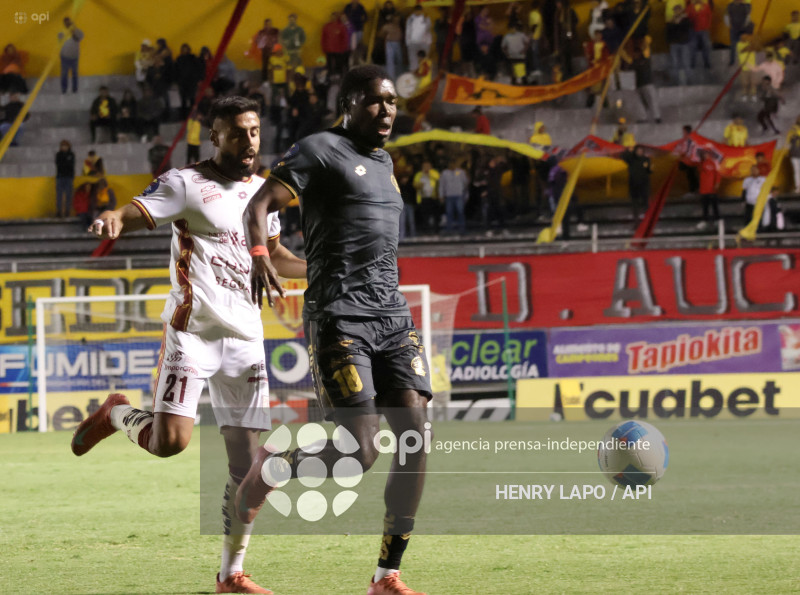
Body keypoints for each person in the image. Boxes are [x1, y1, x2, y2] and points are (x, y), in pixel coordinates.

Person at [72, 96, 306, 595]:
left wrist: (321, 268)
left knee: (247, 468)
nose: (249, 141)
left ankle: (229, 576)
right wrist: (114, 217)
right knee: (170, 443)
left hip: (246, 338)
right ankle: (116, 413)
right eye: (238, 132)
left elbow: (277, 254)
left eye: (255, 131)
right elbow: (138, 210)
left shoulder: (264, 192)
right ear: (215, 137)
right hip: (192, 332)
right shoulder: (186, 183)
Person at [238, 65, 431, 595]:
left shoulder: (386, 160)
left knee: (417, 440)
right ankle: (276, 467)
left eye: (392, 101)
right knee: (361, 453)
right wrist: (260, 253)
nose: (387, 110)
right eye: (375, 101)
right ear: (348, 103)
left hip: (392, 318)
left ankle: (386, 576)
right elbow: (259, 205)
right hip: (339, 318)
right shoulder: (319, 148)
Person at [439, 159, 470, 234]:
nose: (452, 166)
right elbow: (442, 185)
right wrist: (441, 195)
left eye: (453, 164)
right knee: (449, 213)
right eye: (451, 164)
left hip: (459, 195)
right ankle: (449, 229)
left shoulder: (460, 172)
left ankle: (462, 229)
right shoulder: (444, 173)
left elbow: (465, 183)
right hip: (449, 196)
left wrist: (465, 193)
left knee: (460, 212)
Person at [622, 145, 652, 220]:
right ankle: (636, 222)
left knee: (645, 203)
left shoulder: (646, 159)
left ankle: (646, 220)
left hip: (644, 184)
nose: (640, 152)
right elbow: (623, 156)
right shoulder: (631, 159)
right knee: (635, 204)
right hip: (634, 185)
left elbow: (649, 171)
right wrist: (628, 150)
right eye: (638, 151)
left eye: (641, 151)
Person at [696, 149, 721, 229]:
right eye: (703, 153)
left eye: (706, 153)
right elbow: (698, 170)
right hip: (704, 189)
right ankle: (704, 221)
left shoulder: (714, 162)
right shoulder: (701, 163)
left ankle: (717, 220)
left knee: (714, 206)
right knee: (705, 206)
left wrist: (717, 183)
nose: (705, 155)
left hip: (712, 189)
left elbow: (718, 173)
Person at [415, 159, 441, 233]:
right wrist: (419, 184)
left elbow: (438, 179)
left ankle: (436, 230)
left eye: (428, 166)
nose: (426, 167)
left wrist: (429, 173)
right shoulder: (419, 174)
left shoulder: (434, 173)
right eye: (424, 166)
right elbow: (415, 184)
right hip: (424, 198)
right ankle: (426, 230)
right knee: (425, 215)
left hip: (433, 197)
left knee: (436, 215)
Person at [58, 17, 84, 94]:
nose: (67, 24)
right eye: (66, 23)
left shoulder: (77, 31)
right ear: (64, 24)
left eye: (69, 22)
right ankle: (64, 89)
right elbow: (60, 42)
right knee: (64, 74)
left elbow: (79, 38)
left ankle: (75, 90)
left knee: (75, 74)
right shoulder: (61, 32)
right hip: (64, 57)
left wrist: (73, 30)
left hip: (74, 57)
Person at [686, 0, 712, 70]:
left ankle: (707, 63)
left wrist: (707, 26)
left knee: (706, 46)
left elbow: (709, 16)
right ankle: (692, 63)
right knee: (692, 47)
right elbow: (687, 18)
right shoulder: (690, 7)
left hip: (704, 30)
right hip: (693, 30)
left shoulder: (706, 6)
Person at [323, 12, 350, 79]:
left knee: (339, 63)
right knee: (329, 63)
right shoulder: (327, 26)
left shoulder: (341, 27)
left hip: (338, 50)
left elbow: (345, 38)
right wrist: (324, 47)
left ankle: (339, 76)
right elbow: (323, 38)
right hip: (329, 49)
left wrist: (343, 48)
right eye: (332, 17)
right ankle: (329, 75)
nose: (333, 18)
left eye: (334, 17)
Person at [406, 5, 432, 72]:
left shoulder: (426, 18)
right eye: (416, 11)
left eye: (419, 11)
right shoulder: (410, 19)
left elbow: (428, 29)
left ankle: (424, 73)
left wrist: (428, 42)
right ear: (414, 11)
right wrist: (408, 42)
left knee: (424, 59)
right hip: (413, 42)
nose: (418, 12)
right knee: (413, 59)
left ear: (421, 11)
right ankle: (413, 72)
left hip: (424, 42)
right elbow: (408, 30)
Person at [727, 0, 751, 66]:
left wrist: (746, 26)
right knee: (733, 46)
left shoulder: (744, 6)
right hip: (734, 29)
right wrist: (730, 25)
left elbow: (748, 17)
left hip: (742, 29)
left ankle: (745, 61)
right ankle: (732, 61)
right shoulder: (730, 6)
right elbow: (727, 16)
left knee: (744, 44)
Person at [676, 125, 699, 194]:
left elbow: (690, 150)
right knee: (691, 175)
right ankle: (695, 189)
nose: (682, 133)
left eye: (683, 131)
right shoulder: (686, 140)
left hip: (691, 161)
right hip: (689, 160)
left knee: (691, 175)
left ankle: (694, 190)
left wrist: (684, 155)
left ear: (686, 132)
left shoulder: (691, 140)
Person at [55, 140, 76, 218]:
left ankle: (67, 211)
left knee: (68, 195)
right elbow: (59, 165)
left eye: (65, 146)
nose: (64, 147)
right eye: (62, 146)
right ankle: (59, 211)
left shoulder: (71, 154)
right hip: (60, 177)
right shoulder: (59, 155)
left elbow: (71, 165)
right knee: (59, 195)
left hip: (68, 177)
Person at [789, 116, 800, 194]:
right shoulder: (793, 127)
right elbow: (789, 138)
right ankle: (798, 187)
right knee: (796, 170)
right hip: (794, 152)